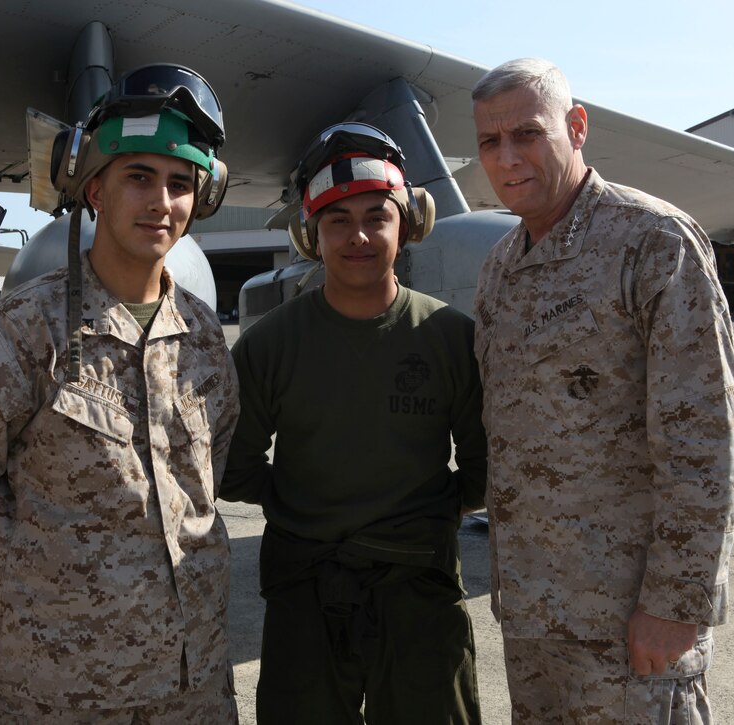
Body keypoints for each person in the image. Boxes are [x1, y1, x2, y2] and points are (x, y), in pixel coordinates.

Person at [0, 64, 240, 723]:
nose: (160, 202)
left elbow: (206, 476)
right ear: (96, 189)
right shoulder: (28, 331)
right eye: (138, 177)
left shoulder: (202, 340)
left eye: (179, 184)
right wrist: (11, 585)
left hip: (190, 690)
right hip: (59, 693)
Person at [470, 58, 734, 722]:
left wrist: (677, 604)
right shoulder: (502, 270)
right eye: (489, 142)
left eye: (528, 134)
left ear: (577, 126)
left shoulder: (651, 243)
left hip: (632, 632)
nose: (507, 157)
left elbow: (706, 439)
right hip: (535, 625)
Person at [220, 123, 486, 724]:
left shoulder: (451, 339)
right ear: (309, 235)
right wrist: (305, 507)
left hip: (421, 593)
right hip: (305, 594)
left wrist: (416, 516)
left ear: (408, 225)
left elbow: (484, 470)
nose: (359, 235)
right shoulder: (270, 347)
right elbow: (231, 466)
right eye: (337, 221)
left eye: (377, 216)